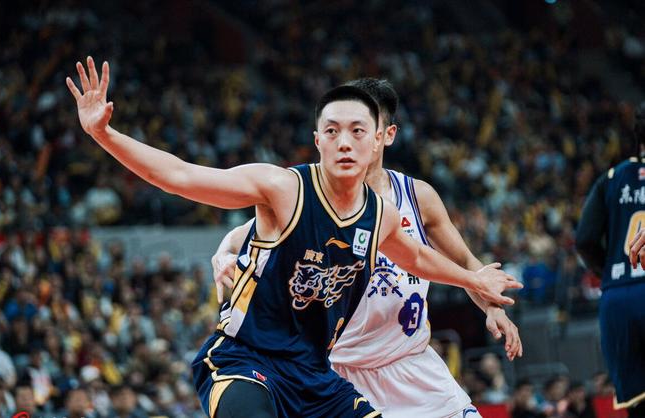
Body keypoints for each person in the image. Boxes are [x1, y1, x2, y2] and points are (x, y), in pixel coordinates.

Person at [66, 57, 521, 418]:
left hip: (316, 375)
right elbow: (181, 176)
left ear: (379, 141)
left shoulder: (383, 213)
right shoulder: (282, 188)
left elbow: (417, 258)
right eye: (332, 132)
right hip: (248, 360)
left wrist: (474, 281)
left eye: (357, 132)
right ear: (317, 140)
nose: (345, 142)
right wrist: (104, 134)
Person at [211, 78, 522, 418]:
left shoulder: (417, 197)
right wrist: (223, 254)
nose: (349, 139)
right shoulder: (313, 196)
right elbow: (242, 233)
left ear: (384, 135)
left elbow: (466, 262)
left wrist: (492, 307)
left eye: (359, 129)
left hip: (412, 366)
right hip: (337, 372)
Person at [577, 103, 645, 417]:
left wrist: (610, 273)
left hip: (618, 298)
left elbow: (584, 240)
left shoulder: (611, 178)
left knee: (638, 403)